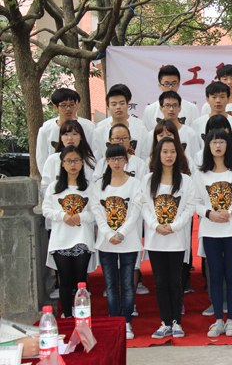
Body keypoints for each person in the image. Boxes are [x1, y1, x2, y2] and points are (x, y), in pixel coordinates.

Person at [140, 137, 195, 339]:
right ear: (158, 155)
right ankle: (164, 322)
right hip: (155, 238)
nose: (169, 155)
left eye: (172, 151)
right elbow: (144, 206)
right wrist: (155, 226)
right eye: (165, 151)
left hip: (176, 238)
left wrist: (174, 226)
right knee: (160, 282)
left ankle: (176, 322)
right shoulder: (148, 180)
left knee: (175, 281)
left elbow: (190, 207)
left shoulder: (186, 180)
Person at [195, 129, 232, 337]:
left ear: (228, 145)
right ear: (207, 146)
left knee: (231, 274)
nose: (218, 145)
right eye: (214, 142)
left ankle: (231, 321)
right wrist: (209, 214)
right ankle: (218, 321)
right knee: (215, 275)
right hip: (210, 231)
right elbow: (195, 202)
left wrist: (231, 212)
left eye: (222, 141)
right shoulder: (201, 173)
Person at [91, 144, 142, 340]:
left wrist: (121, 234)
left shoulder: (134, 183)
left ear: (126, 160)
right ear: (107, 161)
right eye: (112, 159)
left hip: (128, 240)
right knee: (111, 285)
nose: (117, 162)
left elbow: (135, 212)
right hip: (106, 242)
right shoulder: (99, 185)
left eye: (120, 158)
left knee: (127, 285)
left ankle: (126, 322)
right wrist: (108, 234)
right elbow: (97, 212)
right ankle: (114, 322)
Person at [42, 146, 96, 318]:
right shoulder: (54, 187)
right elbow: (46, 210)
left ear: (82, 163)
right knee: (64, 280)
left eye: (76, 160)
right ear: (62, 164)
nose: (73, 164)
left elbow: (96, 212)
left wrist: (81, 216)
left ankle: (82, 315)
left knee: (81, 280)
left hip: (82, 238)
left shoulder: (89, 187)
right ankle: (67, 315)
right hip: (61, 239)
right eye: (69, 161)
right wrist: (62, 216)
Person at [36, 88, 95, 175]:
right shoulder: (45, 129)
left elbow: (92, 152)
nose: (68, 109)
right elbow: (41, 159)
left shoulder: (88, 127)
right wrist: (48, 178)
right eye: (63, 105)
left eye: (71, 105)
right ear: (55, 107)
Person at [93, 84, 150, 160]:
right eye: (114, 104)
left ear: (128, 105)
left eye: (122, 103)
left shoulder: (141, 130)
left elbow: (145, 158)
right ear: (108, 108)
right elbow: (97, 159)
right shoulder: (99, 132)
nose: (118, 107)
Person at [41, 120, 96, 198]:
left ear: (81, 137)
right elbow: (45, 186)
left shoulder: (90, 161)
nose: (70, 138)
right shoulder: (52, 160)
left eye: (74, 134)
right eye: (66, 134)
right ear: (61, 137)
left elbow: (95, 188)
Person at [142, 65, 200, 131]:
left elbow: (194, 134)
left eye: (174, 83)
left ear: (179, 85)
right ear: (160, 85)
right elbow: (147, 135)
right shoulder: (150, 110)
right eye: (167, 84)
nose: (170, 87)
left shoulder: (191, 108)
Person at [193, 81, 232, 153]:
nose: (218, 101)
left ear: (228, 99)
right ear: (207, 99)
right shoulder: (197, 124)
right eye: (214, 97)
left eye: (222, 97)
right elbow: (196, 151)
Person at [150, 91, 200, 158]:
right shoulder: (153, 134)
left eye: (175, 105)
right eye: (167, 105)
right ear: (161, 108)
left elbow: (195, 157)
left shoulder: (190, 133)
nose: (171, 109)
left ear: (179, 108)